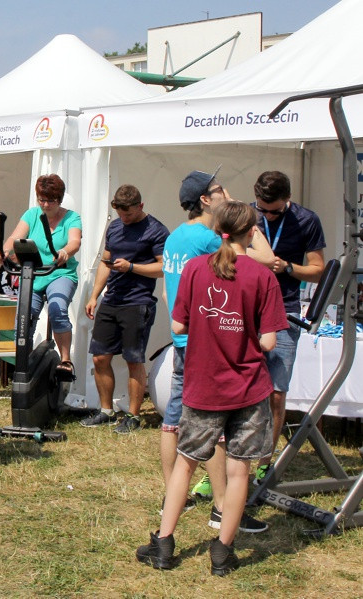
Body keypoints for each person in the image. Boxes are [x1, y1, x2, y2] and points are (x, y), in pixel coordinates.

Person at [137, 201, 287, 576]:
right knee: (239, 471)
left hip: (204, 382)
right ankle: (222, 552)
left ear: (217, 229)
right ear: (251, 232)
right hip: (249, 388)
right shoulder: (262, 276)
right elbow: (269, 343)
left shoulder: (194, 269)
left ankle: (164, 545)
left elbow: (177, 327)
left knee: (186, 464)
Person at [161, 170, 272, 534]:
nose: (223, 191)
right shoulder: (210, 243)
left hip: (187, 340)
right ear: (206, 200)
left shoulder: (176, 236)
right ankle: (223, 508)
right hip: (212, 346)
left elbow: (169, 294)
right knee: (220, 436)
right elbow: (257, 262)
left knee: (176, 428)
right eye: (217, 189)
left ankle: (171, 510)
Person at [251, 171, 325, 485]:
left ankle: (264, 462)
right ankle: (229, 463)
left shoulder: (307, 220)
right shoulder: (248, 216)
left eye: (274, 211)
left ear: (288, 199)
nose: (266, 215)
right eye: (262, 209)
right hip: (245, 311)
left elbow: (319, 270)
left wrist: (288, 268)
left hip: (284, 312)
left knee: (276, 394)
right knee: (239, 390)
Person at [83, 184, 169, 434]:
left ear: (140, 206)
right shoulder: (115, 226)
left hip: (138, 301)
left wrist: (132, 267)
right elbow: (105, 262)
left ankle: (133, 415)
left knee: (133, 359)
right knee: (100, 357)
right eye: (120, 214)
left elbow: (163, 268)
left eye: (129, 214)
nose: (124, 218)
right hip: (111, 300)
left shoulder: (156, 230)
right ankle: (106, 411)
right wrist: (94, 295)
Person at [0, 174, 82, 377]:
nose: (44, 204)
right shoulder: (32, 214)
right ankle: (22, 365)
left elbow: (74, 241)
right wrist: (4, 251)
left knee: (57, 309)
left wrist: (65, 252)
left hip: (59, 271)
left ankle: (65, 361)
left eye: (49, 200)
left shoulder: (72, 217)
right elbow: (14, 237)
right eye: (41, 199)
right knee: (24, 317)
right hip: (34, 273)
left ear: (59, 199)